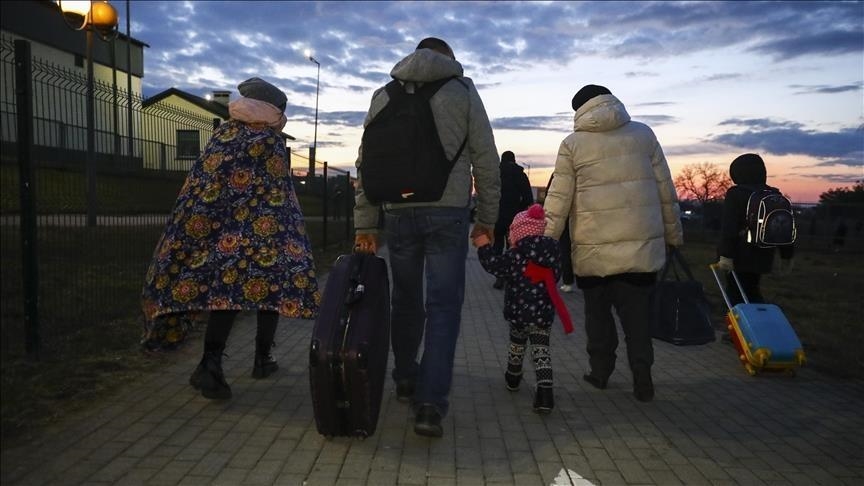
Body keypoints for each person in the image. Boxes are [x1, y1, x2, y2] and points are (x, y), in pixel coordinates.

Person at [353, 37, 500, 437]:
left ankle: (404, 377)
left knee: (405, 301)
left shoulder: (384, 94)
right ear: (449, 59)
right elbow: (486, 159)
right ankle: (430, 404)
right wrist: (487, 219)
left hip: (397, 216)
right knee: (444, 307)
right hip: (447, 214)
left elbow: (366, 162)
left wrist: (365, 225)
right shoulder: (463, 91)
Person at [141, 77, 321, 400]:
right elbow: (280, 196)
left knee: (226, 292)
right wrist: (289, 237)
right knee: (271, 285)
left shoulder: (222, 136)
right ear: (272, 111)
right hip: (258, 235)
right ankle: (261, 358)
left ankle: (210, 362)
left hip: (217, 231)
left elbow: (201, 184)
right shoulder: (270, 144)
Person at [543, 84, 683, 403]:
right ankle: (642, 375)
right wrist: (674, 236)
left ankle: (600, 372)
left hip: (593, 251)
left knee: (598, 317)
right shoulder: (644, 135)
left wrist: (544, 243)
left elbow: (558, 199)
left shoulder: (573, 144)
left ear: (579, 110)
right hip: (640, 250)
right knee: (637, 319)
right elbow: (666, 190)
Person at [475, 203, 572, 414]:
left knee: (517, 344)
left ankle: (513, 376)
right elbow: (556, 276)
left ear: (518, 232)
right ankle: (545, 393)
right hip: (543, 313)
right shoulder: (552, 252)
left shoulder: (516, 254)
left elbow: (494, 265)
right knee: (541, 351)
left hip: (519, 312)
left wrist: (483, 245)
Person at [715, 153, 794, 304]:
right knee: (752, 289)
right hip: (764, 254)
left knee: (736, 295)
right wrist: (787, 255)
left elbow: (729, 227)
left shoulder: (736, 194)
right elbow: (783, 226)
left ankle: (745, 326)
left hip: (739, 255)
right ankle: (760, 322)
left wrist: (725, 255)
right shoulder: (773, 194)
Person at [491, 150, 534, 289]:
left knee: (497, 246)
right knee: (513, 248)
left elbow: (487, 192)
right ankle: (511, 275)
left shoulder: (495, 173)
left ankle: (499, 276)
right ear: (514, 160)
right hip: (514, 218)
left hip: (497, 216)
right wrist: (520, 209)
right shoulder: (520, 175)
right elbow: (528, 198)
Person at [544, 174, 574, 293]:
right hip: (582, 218)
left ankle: (567, 281)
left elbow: (551, 195)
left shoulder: (559, 174)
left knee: (564, 249)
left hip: (564, 217)